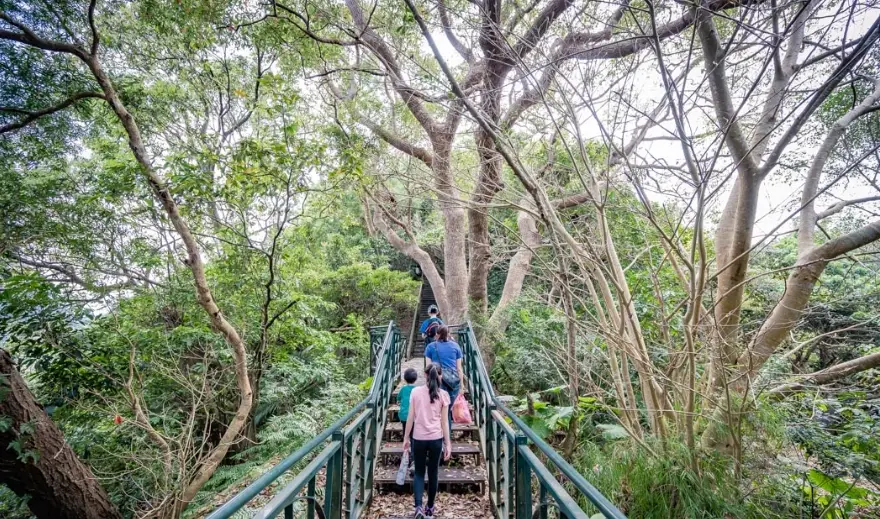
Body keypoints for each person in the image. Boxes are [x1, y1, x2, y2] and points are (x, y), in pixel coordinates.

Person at [403, 364, 451, 518]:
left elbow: (410, 417)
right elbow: (445, 423)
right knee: (433, 473)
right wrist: (447, 443)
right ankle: (430, 507)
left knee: (418, 472)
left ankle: (418, 507)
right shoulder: (443, 395)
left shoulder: (415, 392)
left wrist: (406, 438)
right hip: (436, 438)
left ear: (424, 375)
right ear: (440, 376)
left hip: (418, 438)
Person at [424, 325, 464, 435]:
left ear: (437, 334)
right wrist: (462, 386)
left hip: (437, 380)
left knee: (436, 410)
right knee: (447, 411)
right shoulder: (456, 346)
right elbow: (459, 369)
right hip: (453, 382)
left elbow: (428, 367)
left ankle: (436, 437)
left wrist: (427, 384)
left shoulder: (430, 347)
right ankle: (447, 439)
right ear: (448, 334)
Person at [398, 368, 418, 474]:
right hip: (415, 417)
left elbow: (398, 398)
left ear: (405, 379)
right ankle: (413, 459)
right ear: (416, 379)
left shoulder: (403, 389)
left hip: (404, 416)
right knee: (414, 437)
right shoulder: (417, 390)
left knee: (406, 434)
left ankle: (406, 453)